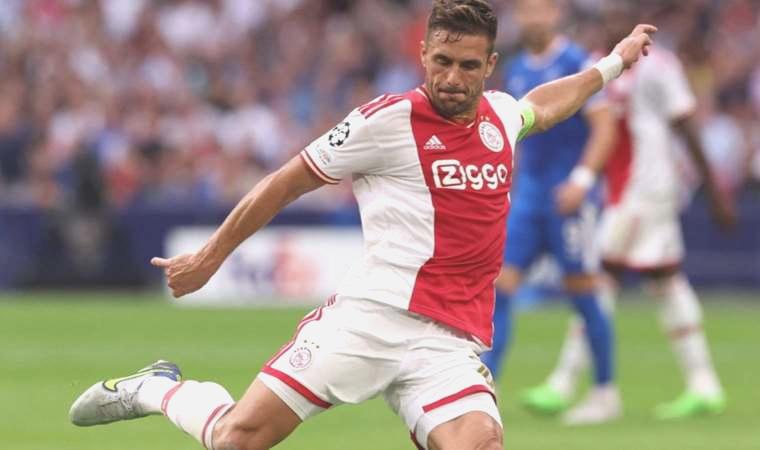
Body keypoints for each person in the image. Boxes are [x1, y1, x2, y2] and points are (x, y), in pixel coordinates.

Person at [68, 1, 655, 449]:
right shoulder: (384, 121)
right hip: (370, 319)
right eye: (442, 61)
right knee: (236, 440)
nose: (452, 78)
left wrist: (612, 63)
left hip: (447, 342)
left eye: (468, 66)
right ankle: (159, 388)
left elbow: (546, 103)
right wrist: (210, 255)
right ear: (423, 53)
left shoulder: (500, 116)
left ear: (490, 66)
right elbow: (285, 181)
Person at [522, 4, 735, 421]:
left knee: (596, 278)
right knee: (665, 280)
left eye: (620, 16)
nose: (612, 24)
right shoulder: (601, 64)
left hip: (644, 189)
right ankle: (704, 384)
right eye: (607, 18)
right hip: (620, 190)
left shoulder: (659, 66)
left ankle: (568, 384)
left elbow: (686, 124)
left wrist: (713, 189)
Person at [479, 0, 620, 425]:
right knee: (499, 288)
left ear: (557, 13)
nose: (532, 18)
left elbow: (605, 126)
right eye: (525, 11)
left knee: (582, 291)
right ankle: (485, 387)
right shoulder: (517, 67)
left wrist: (582, 180)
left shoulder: (578, 62)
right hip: (528, 200)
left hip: (568, 199)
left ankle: (605, 392)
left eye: (540, 10)